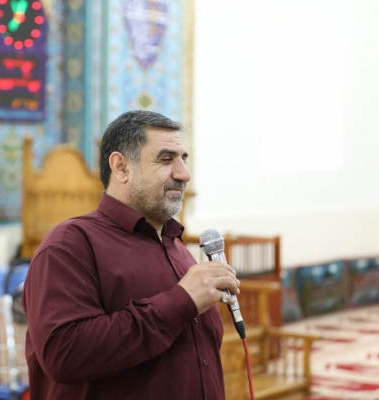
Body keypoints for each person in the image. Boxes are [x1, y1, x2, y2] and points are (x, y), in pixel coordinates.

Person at [21, 110, 241, 399]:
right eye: (166, 159)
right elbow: (64, 353)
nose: (184, 174)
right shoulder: (70, 246)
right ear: (121, 167)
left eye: (183, 159)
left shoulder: (178, 251)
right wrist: (181, 301)